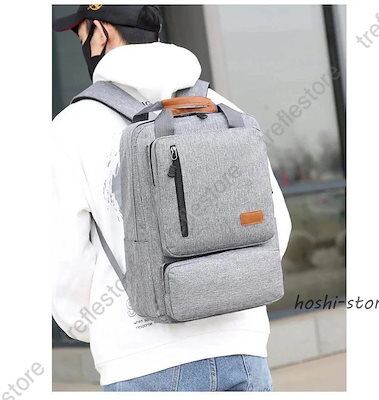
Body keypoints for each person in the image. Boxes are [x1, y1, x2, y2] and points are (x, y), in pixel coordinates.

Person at [52, 4, 292, 392]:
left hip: (141, 361)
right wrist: (229, 288)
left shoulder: (71, 128)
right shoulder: (223, 108)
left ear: (101, 33)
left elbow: (65, 262)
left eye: (82, 35)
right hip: (243, 348)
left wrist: (102, 327)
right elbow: (276, 223)